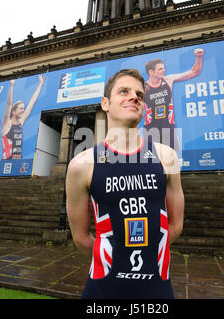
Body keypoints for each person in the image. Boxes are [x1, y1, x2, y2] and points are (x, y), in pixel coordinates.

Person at [66, 69, 184, 299]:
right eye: (124, 91)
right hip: (103, 290)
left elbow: (176, 224)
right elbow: (80, 238)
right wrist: (115, 255)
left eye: (139, 94)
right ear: (105, 103)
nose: (134, 97)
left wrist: (150, 251)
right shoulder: (82, 164)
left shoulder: (166, 157)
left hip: (156, 290)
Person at [143, 48, 204, 152]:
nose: (164, 70)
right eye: (160, 69)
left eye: (164, 68)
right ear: (151, 72)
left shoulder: (168, 80)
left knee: (173, 163)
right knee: (151, 164)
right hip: (151, 130)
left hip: (169, 129)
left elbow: (194, 72)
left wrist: (199, 57)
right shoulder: (143, 87)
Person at [1, 75, 45, 159]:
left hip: (18, 159)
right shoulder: (7, 123)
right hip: (7, 160)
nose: (23, 110)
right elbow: (9, 104)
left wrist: (40, 84)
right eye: (21, 109)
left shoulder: (21, 122)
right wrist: (12, 86)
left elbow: (32, 102)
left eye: (23, 109)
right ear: (13, 111)